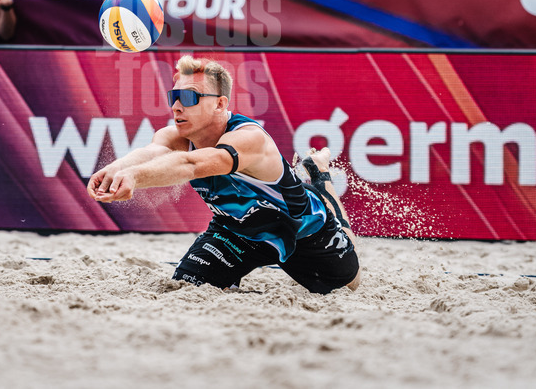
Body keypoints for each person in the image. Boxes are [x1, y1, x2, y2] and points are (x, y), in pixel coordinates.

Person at [86, 56, 361, 294]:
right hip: (236, 230)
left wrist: (135, 177)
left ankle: (321, 177)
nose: (177, 106)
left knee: (347, 284)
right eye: (174, 96)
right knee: (188, 285)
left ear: (220, 104)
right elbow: (152, 152)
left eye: (190, 97)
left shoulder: (250, 138)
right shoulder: (176, 135)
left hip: (301, 231)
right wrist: (117, 169)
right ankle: (235, 272)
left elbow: (193, 165)